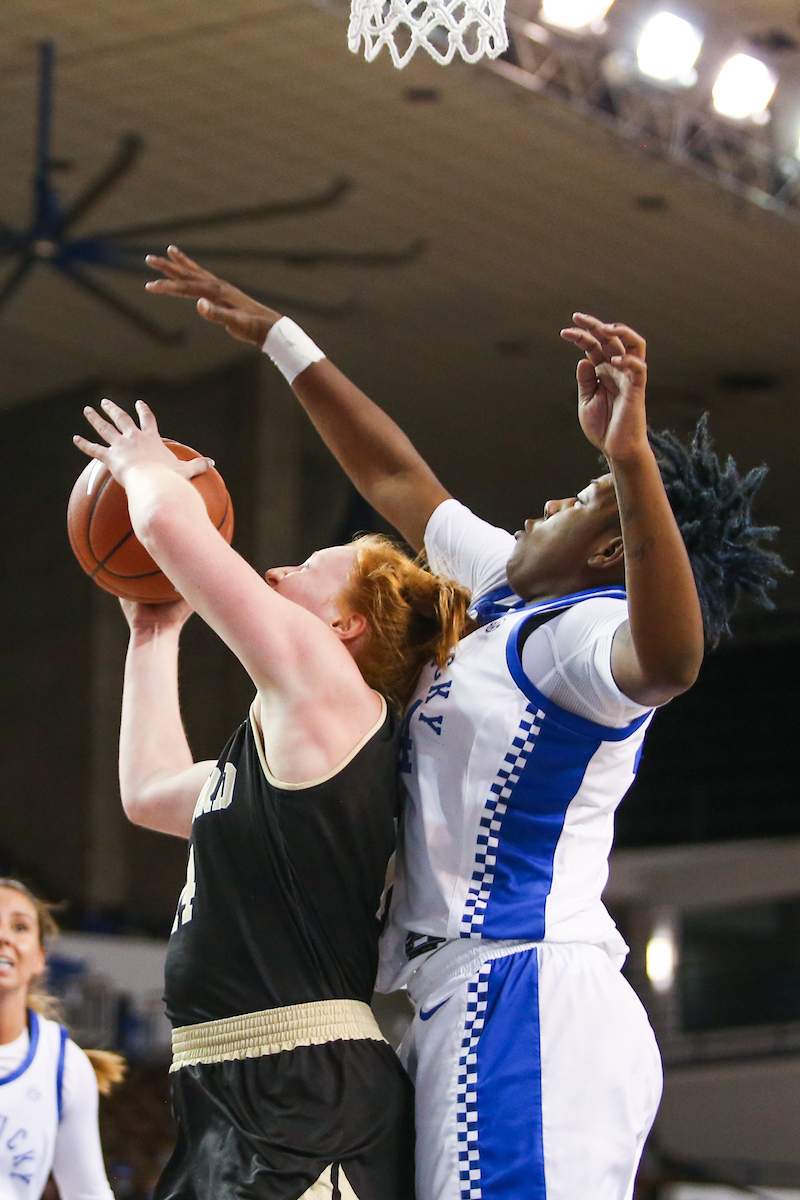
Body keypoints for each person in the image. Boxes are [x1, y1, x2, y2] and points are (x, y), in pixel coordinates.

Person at [144, 248, 786, 1200]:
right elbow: (390, 469)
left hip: (528, 989)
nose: (552, 500)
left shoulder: (585, 637)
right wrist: (278, 336)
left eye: (584, 499)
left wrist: (631, 455)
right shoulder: (499, 586)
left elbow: (674, 661)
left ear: (613, 549)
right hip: (459, 998)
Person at [73, 388, 475, 1200]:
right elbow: (149, 793)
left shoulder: (338, 697)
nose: (275, 570)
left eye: (307, 571)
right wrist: (153, 635)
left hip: (305, 1087)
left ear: (344, 629)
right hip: (230, 1086)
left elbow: (164, 526)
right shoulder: (283, 753)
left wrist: (148, 471)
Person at [0, 878, 123, 1200]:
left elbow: (87, 1193)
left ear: (39, 958)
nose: (3, 937)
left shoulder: (63, 1063)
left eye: (20, 927)